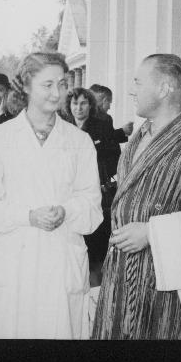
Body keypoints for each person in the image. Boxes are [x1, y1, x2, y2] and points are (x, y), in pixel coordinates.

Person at [92, 54, 181, 340]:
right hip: (119, 283)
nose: (132, 90)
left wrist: (152, 233)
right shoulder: (137, 140)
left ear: (165, 88)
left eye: (138, 82)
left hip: (163, 291)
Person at [0, 52, 103, 339]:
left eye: (62, 83)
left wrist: (66, 212)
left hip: (60, 259)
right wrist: (27, 216)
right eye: (47, 85)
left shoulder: (78, 141)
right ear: (27, 86)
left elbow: (92, 205)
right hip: (13, 260)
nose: (57, 93)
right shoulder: (0, 138)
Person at [61, 87, 118, 284]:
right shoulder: (62, 128)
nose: (79, 108)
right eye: (75, 103)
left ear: (90, 105)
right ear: (69, 106)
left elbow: (114, 157)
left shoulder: (102, 125)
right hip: (69, 194)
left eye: (83, 103)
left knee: (95, 244)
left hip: (96, 192)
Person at [88, 84, 134, 176]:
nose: (109, 107)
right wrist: (123, 131)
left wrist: (123, 132)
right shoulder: (102, 118)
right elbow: (102, 142)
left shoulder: (91, 117)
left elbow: (107, 137)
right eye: (110, 103)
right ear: (104, 101)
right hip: (101, 172)